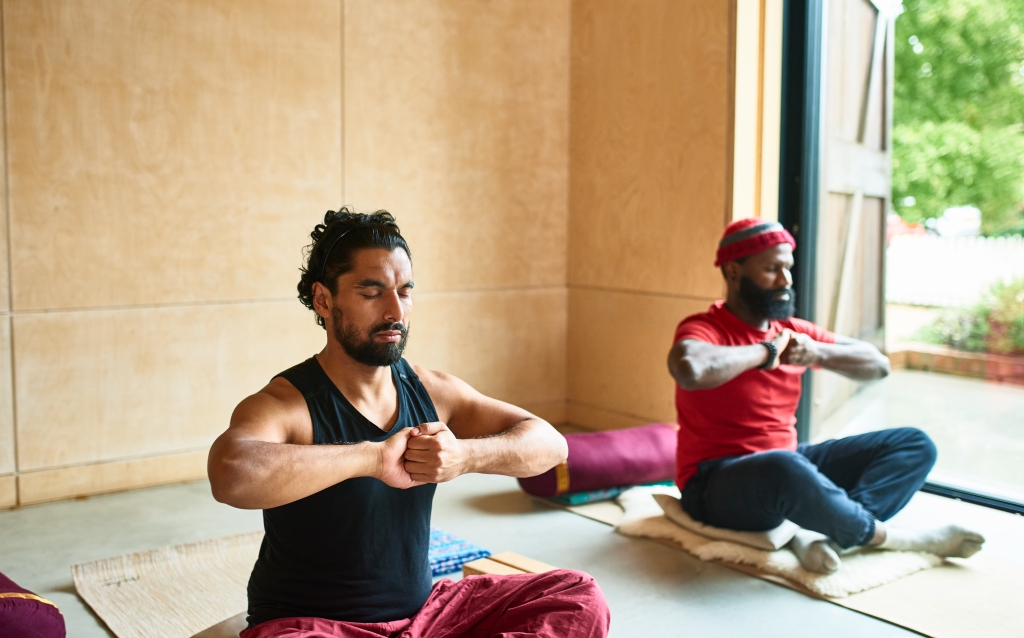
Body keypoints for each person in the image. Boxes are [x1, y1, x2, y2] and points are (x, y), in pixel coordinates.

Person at [208, 208, 610, 638]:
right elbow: (231, 475)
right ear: (324, 300)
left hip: (426, 619)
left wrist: (464, 456)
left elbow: (551, 446)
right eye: (371, 293)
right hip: (315, 628)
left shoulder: (432, 391)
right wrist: (372, 458)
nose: (394, 310)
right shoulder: (288, 403)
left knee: (578, 596)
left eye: (405, 291)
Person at [666, 218, 984, 574]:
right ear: (734, 270)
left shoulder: (796, 332)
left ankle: (831, 534)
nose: (785, 281)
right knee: (786, 467)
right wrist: (766, 352)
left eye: (788, 268)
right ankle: (899, 539)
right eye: (772, 269)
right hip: (713, 483)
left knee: (914, 444)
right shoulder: (704, 328)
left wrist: (817, 353)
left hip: (787, 461)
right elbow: (690, 369)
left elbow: (877, 364)